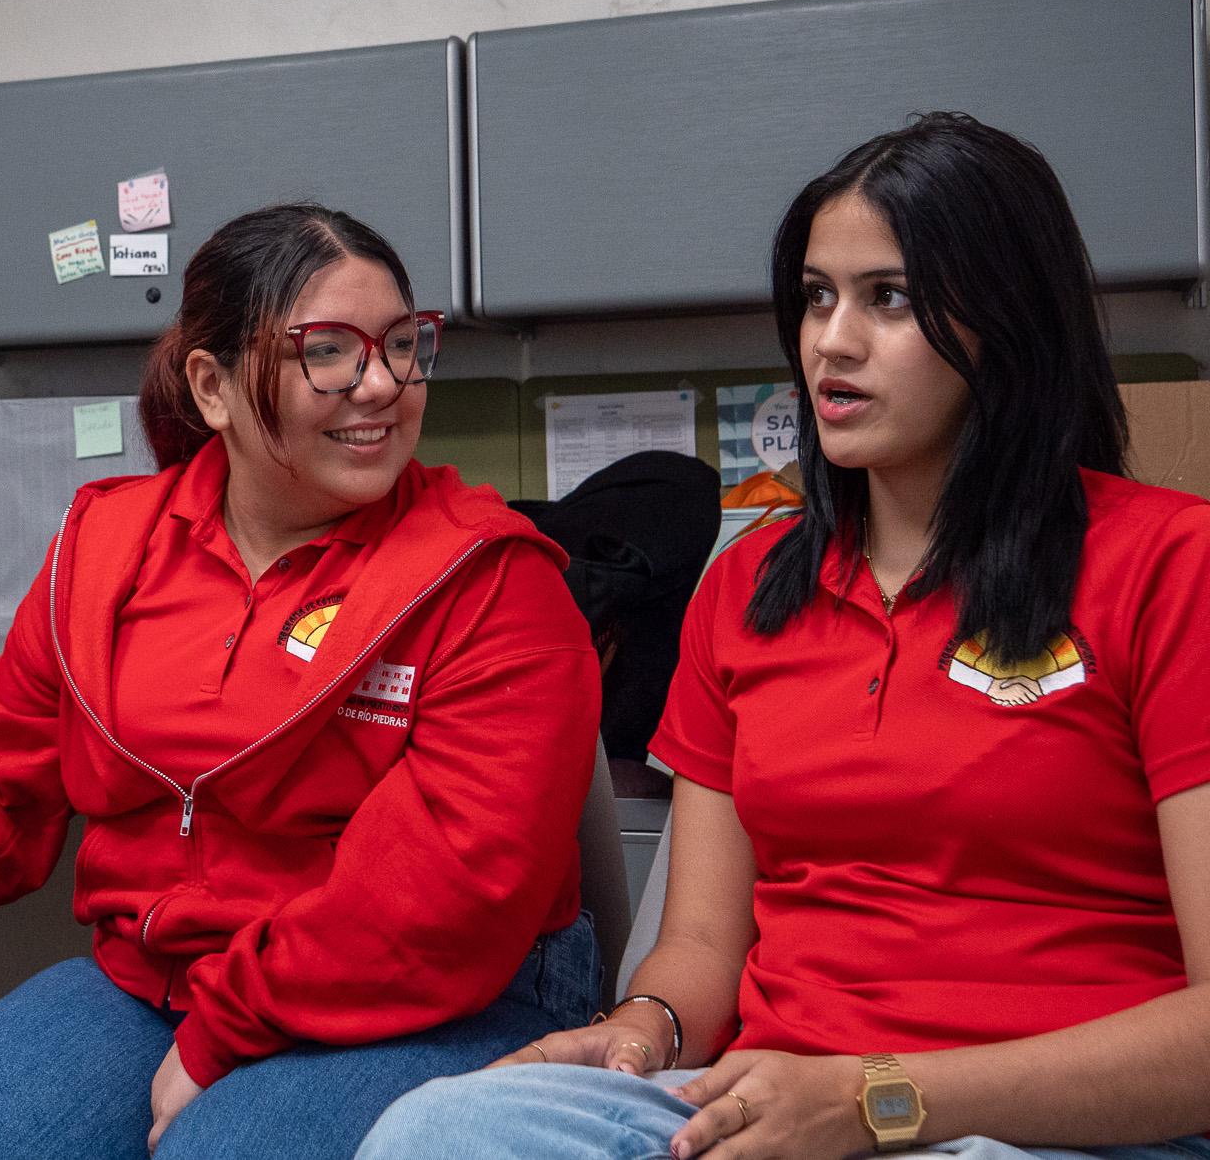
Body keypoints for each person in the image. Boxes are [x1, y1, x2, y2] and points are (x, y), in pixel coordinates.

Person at [356, 112, 1210, 1160]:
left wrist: (873, 1100)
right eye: (815, 297)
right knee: (439, 1132)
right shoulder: (748, 587)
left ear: (1006, 318)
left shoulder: (1171, 569)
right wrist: (638, 1031)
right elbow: (704, 947)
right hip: (771, 1112)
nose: (829, 341)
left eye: (885, 297)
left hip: (1045, 1134)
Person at [0, 204, 604, 1159]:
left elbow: (444, 900)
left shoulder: (488, 578)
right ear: (213, 385)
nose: (381, 384)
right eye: (330, 352)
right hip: (153, 980)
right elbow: (0, 770)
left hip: (435, 997)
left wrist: (224, 1032)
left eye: (402, 344)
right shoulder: (107, 548)